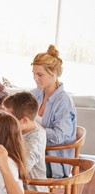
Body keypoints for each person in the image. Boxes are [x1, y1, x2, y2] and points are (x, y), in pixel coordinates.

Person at [31, 45, 77, 178]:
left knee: (10, 166)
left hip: (53, 161)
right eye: (33, 73)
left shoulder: (64, 101)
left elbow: (58, 137)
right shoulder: (37, 93)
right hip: (36, 152)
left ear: (54, 74)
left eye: (39, 74)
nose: (35, 78)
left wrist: (32, 128)